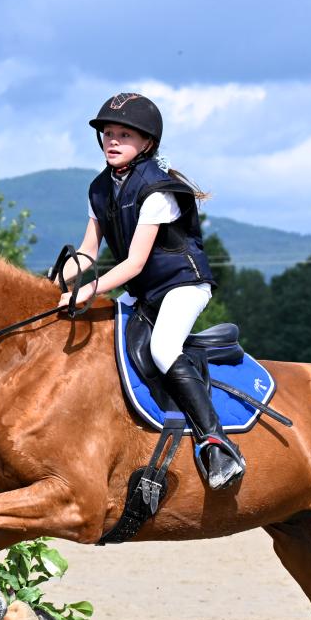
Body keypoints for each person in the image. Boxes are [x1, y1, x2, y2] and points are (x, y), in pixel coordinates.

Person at [58, 92, 245, 490]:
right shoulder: (99, 188)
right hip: (145, 293)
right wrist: (52, 287)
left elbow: (133, 264)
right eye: (107, 133)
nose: (112, 140)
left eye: (124, 134)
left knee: (162, 349)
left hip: (182, 285)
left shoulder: (157, 189)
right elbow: (88, 251)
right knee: (102, 342)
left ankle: (217, 443)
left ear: (147, 144)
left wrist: (85, 293)